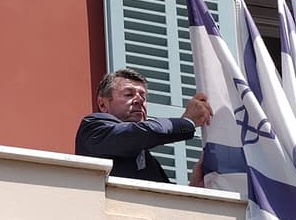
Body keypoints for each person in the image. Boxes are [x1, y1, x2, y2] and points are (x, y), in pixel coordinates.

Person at [76, 69, 212, 183]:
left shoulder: (150, 164)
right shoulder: (93, 128)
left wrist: (194, 187)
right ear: (102, 104)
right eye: (128, 94)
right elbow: (137, 134)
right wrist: (187, 122)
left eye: (143, 96)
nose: (139, 100)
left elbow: (165, 200)